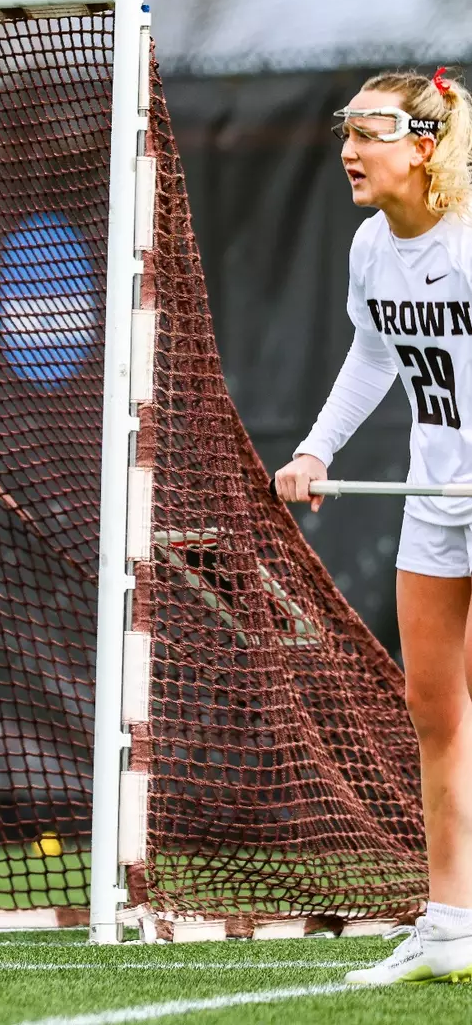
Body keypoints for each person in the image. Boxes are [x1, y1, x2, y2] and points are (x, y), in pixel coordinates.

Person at [275, 67, 472, 984]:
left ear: (422, 146)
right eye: (343, 131)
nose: (348, 150)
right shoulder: (369, 248)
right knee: (433, 709)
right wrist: (313, 451)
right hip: (435, 499)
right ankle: (447, 923)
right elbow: (371, 354)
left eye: (369, 132)